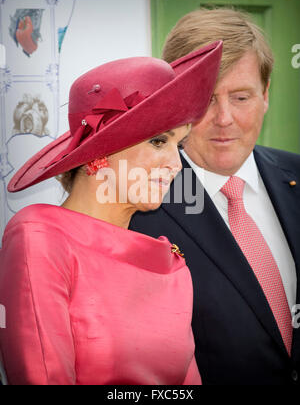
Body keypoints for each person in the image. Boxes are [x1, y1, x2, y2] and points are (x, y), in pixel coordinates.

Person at [0, 42, 222, 385]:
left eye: (178, 146)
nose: (177, 165)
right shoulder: (39, 237)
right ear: (100, 153)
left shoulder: (169, 263)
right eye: (159, 141)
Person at [130, 8, 300, 385]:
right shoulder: (137, 208)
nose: (224, 118)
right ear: (173, 102)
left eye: (241, 97)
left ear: (266, 95)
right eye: (206, 99)